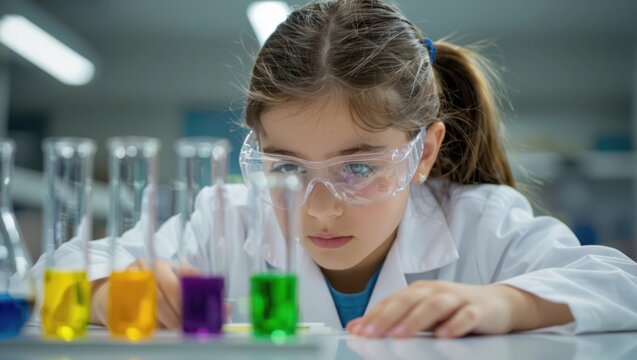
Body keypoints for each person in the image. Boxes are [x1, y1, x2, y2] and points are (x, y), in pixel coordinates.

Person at [32, 0, 637, 338]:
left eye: (357, 168)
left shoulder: (482, 225)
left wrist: (507, 304)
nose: (318, 207)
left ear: (423, 152)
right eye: (286, 168)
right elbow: (49, 275)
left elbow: (618, 282)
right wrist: (105, 293)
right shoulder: (226, 220)